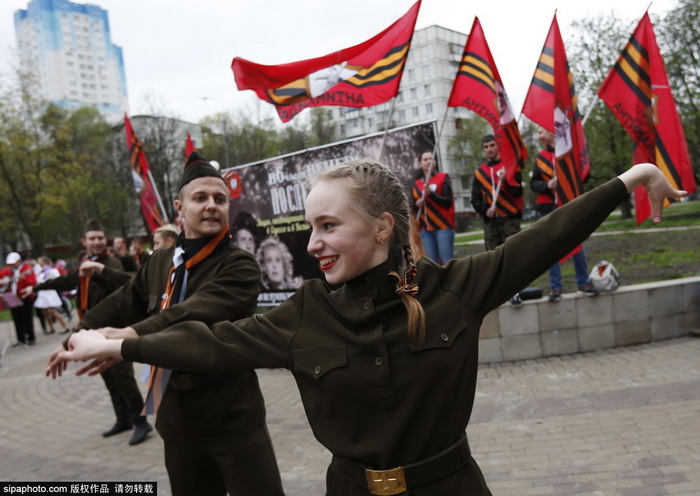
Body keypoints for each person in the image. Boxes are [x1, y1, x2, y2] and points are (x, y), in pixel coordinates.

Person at [57, 161, 683, 496]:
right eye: (310, 229)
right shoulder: (306, 311)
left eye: (328, 226)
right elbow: (216, 343)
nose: (314, 244)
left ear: (382, 227)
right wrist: (122, 342)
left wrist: (627, 181)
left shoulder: (454, 289)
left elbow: (542, 240)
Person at [50, 152, 284, 496]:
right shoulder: (160, 260)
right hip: (176, 417)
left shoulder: (240, 265)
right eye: (200, 198)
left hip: (231, 415)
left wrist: (128, 337)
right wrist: (73, 338)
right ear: (179, 207)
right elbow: (121, 302)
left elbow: (191, 312)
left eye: (220, 199)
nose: (211, 206)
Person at [24, 220, 150, 445]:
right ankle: (123, 419)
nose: (97, 242)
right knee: (108, 377)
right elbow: (64, 280)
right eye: (92, 238)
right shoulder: (85, 264)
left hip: (112, 331)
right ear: (85, 241)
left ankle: (141, 422)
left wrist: (101, 272)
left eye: (100, 238)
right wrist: (34, 288)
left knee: (123, 377)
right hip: (91, 331)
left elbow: (130, 284)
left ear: (106, 240)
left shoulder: (111, 263)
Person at [531, 127, 598, 301]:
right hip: (547, 207)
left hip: (568, 204)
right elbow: (534, 184)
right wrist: (547, 186)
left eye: (540, 132)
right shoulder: (539, 158)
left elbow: (584, 176)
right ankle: (555, 287)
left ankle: (583, 282)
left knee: (576, 244)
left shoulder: (568, 154)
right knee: (550, 249)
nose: (538, 136)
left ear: (551, 132)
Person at [471, 135, 524, 306]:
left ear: (498, 147)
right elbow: (475, 199)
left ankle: (515, 291)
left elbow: (518, 193)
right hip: (491, 221)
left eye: (492, 145)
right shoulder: (479, 173)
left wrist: (506, 181)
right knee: (492, 257)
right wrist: (485, 211)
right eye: (486, 146)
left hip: (510, 219)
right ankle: (497, 294)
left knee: (512, 255)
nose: (489, 149)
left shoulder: (510, 168)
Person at [411, 150, 455, 264]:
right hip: (426, 229)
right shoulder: (416, 184)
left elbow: (447, 202)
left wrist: (431, 194)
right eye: (425, 159)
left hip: (443, 226)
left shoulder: (443, 177)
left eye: (431, 158)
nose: (428, 161)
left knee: (447, 262)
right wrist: (417, 203)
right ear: (420, 164)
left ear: (435, 162)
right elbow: (412, 205)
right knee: (432, 264)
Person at [2, 252, 36, 346]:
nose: (11, 265)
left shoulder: (27, 269)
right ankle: (21, 339)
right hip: (13, 297)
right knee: (17, 319)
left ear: (19, 261)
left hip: (25, 297)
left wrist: (24, 279)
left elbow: (33, 281)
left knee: (27, 318)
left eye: (13, 263)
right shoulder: (10, 271)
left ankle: (31, 338)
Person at [34, 256, 70, 334]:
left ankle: (65, 326)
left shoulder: (52, 270)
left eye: (40, 261)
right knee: (45, 312)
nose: (39, 263)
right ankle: (51, 328)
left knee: (53, 311)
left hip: (49, 292)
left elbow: (57, 279)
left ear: (44, 262)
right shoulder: (40, 271)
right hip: (43, 293)